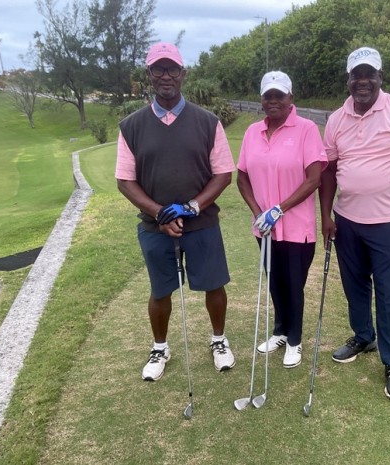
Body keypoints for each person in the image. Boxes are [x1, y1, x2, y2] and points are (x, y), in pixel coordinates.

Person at [115, 42, 236, 381]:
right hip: (155, 227)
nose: (165, 76)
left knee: (214, 285)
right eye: (158, 69)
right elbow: (125, 181)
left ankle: (218, 340)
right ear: (150, 75)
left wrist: (191, 207)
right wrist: (160, 214)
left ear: (183, 74)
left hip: (203, 223)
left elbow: (223, 174)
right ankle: (160, 347)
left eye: (172, 69)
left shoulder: (208, 121)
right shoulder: (131, 126)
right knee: (160, 290)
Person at [319, 47, 390, 400]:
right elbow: (329, 171)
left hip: (389, 224)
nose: (362, 81)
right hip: (347, 221)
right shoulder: (337, 119)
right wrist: (326, 215)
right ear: (348, 79)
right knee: (354, 287)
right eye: (356, 75)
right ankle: (363, 337)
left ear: (381, 78)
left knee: (389, 292)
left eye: (369, 74)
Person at [237, 71, 327, 368]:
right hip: (264, 227)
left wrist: (279, 209)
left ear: (291, 99)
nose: (273, 100)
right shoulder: (252, 133)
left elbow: (313, 179)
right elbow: (242, 178)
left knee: (292, 285)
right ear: (261, 100)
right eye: (268, 96)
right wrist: (257, 211)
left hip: (297, 227)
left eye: (279, 95)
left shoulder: (306, 129)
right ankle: (279, 331)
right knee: (274, 282)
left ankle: (295, 340)